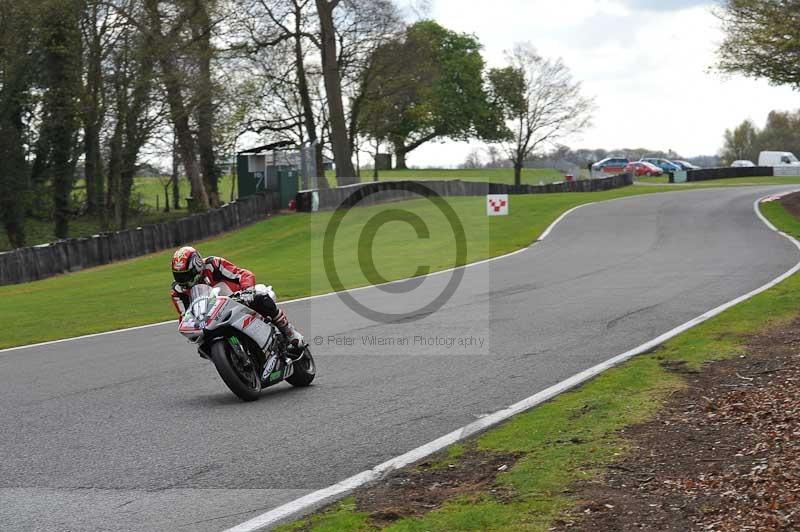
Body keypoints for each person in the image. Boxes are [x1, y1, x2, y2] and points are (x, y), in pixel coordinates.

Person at [169, 246, 304, 350]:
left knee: (261, 297)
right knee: (202, 347)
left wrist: (247, 291)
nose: (183, 280)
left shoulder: (213, 264)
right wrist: (189, 329)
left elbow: (242, 274)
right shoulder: (177, 291)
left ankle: (289, 332)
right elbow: (184, 315)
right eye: (178, 276)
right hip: (210, 319)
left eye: (186, 275)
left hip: (238, 300)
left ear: (197, 265)